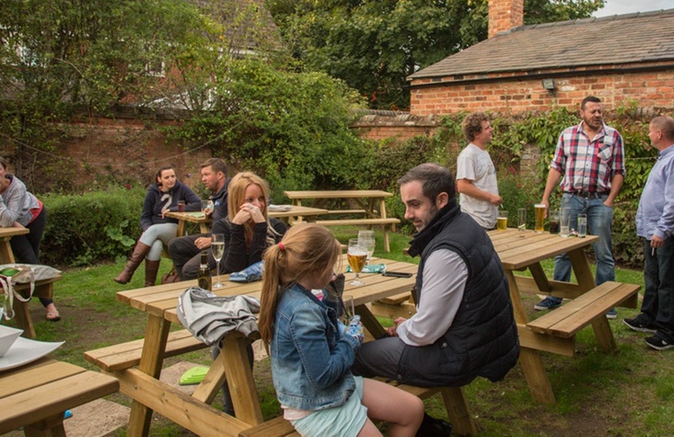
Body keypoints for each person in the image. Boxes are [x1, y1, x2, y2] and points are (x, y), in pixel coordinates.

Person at [352, 163, 519, 397]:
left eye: (415, 205)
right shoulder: (466, 224)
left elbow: (424, 332)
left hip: (460, 357)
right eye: (406, 205)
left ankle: (372, 422)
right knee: (382, 344)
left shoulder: (446, 252)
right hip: (486, 346)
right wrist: (409, 326)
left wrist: (404, 329)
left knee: (357, 356)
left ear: (441, 200)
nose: (407, 215)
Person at [259, 223, 424, 437]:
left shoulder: (296, 292)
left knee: (412, 410)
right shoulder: (302, 311)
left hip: (335, 388)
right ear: (316, 268)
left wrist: (331, 297)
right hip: (314, 405)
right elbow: (323, 375)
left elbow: (324, 333)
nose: (334, 270)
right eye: (331, 264)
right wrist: (352, 341)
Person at [535, 96, 626, 318]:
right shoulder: (567, 135)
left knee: (603, 252)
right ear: (581, 113)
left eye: (599, 111)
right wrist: (545, 198)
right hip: (572, 198)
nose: (597, 115)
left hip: (600, 200)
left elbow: (619, 171)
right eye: (593, 111)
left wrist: (610, 200)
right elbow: (556, 167)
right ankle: (555, 296)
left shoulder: (613, 136)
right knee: (564, 250)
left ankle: (606, 302)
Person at [210, 171, 288, 415]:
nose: (258, 205)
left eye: (261, 199)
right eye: (251, 200)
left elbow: (259, 266)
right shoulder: (223, 226)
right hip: (237, 301)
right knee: (227, 336)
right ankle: (232, 407)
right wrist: (236, 228)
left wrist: (262, 227)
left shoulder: (275, 227)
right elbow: (232, 269)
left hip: (274, 299)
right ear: (236, 202)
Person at [624, 116, 674, 351]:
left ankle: (667, 332)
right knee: (652, 277)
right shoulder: (665, 158)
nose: (648, 135)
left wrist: (662, 230)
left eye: (650, 131)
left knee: (668, 283)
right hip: (653, 231)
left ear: (659, 134)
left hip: (667, 235)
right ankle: (650, 318)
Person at [0, 154, 60, 321]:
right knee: (28, 260)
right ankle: (34, 301)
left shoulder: (17, 187)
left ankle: (47, 303)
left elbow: (8, 218)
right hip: (12, 226)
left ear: (5, 170)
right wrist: (11, 224)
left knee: (31, 258)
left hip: (32, 217)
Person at [114, 165, 201, 287]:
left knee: (153, 230)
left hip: (176, 231)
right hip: (155, 232)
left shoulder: (182, 188)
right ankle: (149, 285)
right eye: (167, 177)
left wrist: (174, 209)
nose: (171, 180)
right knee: (155, 245)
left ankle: (128, 270)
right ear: (159, 179)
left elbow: (198, 204)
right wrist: (147, 231)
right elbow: (145, 217)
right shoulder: (152, 192)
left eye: (173, 176)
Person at [168, 158, 231, 280]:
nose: (203, 179)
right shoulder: (219, 193)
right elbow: (225, 214)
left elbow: (235, 224)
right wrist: (214, 212)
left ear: (219, 175)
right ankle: (191, 284)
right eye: (202, 175)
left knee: (190, 270)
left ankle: (207, 284)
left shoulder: (232, 192)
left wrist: (212, 240)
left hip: (225, 242)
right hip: (214, 236)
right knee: (175, 245)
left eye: (206, 175)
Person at [455, 112, 502, 229]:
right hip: (475, 222)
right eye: (487, 128)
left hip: (488, 221)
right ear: (476, 134)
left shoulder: (483, 152)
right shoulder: (468, 155)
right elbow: (462, 186)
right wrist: (490, 197)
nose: (492, 129)